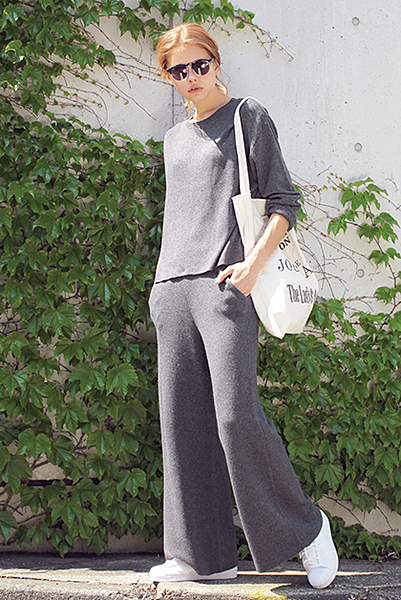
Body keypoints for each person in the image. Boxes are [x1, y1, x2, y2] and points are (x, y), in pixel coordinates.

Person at [148, 22, 338, 590]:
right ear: (167, 76)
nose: (190, 77)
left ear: (215, 62)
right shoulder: (174, 139)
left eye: (199, 65)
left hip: (227, 285)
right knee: (182, 424)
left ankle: (309, 529)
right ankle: (201, 556)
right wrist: (160, 287)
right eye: (177, 70)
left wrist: (251, 269)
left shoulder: (247, 117)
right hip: (172, 289)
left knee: (235, 416)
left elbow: (284, 202)